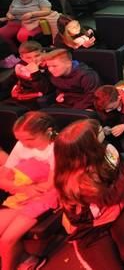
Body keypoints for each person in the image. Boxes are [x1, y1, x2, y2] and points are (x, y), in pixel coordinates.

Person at [53, 119, 124, 269]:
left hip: (118, 207)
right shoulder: (74, 183)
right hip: (92, 231)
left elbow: (118, 177)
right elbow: (109, 197)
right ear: (88, 149)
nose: (103, 131)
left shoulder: (107, 150)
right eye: (98, 132)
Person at [0, 112, 58, 270]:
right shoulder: (21, 145)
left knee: (7, 240)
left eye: (29, 139)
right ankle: (28, 259)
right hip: (25, 192)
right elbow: (5, 174)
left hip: (46, 197)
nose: (24, 144)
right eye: (19, 139)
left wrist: (23, 187)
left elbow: (50, 185)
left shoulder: (56, 148)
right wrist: (25, 188)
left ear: (48, 131)